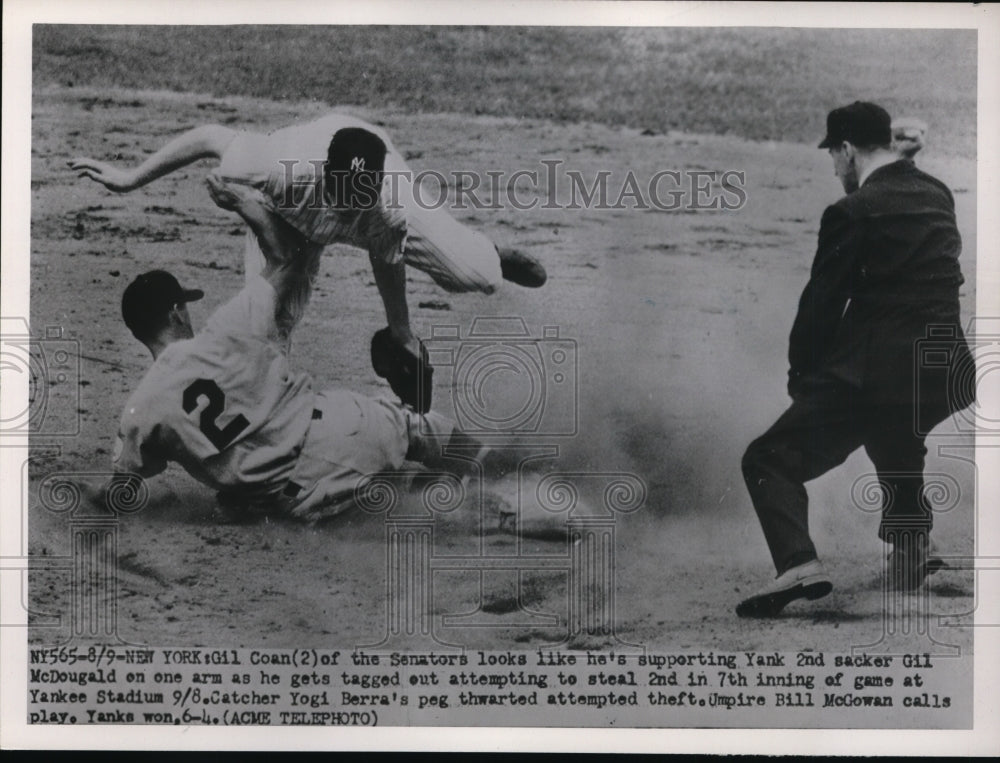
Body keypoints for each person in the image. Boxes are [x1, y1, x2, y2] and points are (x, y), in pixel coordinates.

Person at [108, 176, 495, 523]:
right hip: (339, 433)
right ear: (176, 313)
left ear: (137, 330)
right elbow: (284, 259)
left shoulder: (140, 410)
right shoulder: (224, 330)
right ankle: (500, 476)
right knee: (413, 426)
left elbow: (121, 490)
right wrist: (243, 203)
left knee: (382, 496)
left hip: (299, 500)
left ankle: (445, 501)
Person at [737, 101, 975, 618]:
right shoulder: (937, 194)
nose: (834, 167)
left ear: (847, 150)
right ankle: (911, 540)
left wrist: (803, 377)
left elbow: (821, 304)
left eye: (834, 156)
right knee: (894, 429)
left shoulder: (852, 211)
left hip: (880, 370)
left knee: (766, 460)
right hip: (946, 370)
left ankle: (798, 564)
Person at [69, 112, 547, 359]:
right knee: (269, 331)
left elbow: (385, 254)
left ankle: (492, 251)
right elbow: (210, 137)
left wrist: (401, 331)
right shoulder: (278, 165)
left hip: (380, 201)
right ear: (323, 170)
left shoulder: (391, 200)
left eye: (358, 198)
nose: (347, 206)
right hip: (289, 220)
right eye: (342, 192)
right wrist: (131, 177)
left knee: (477, 276)